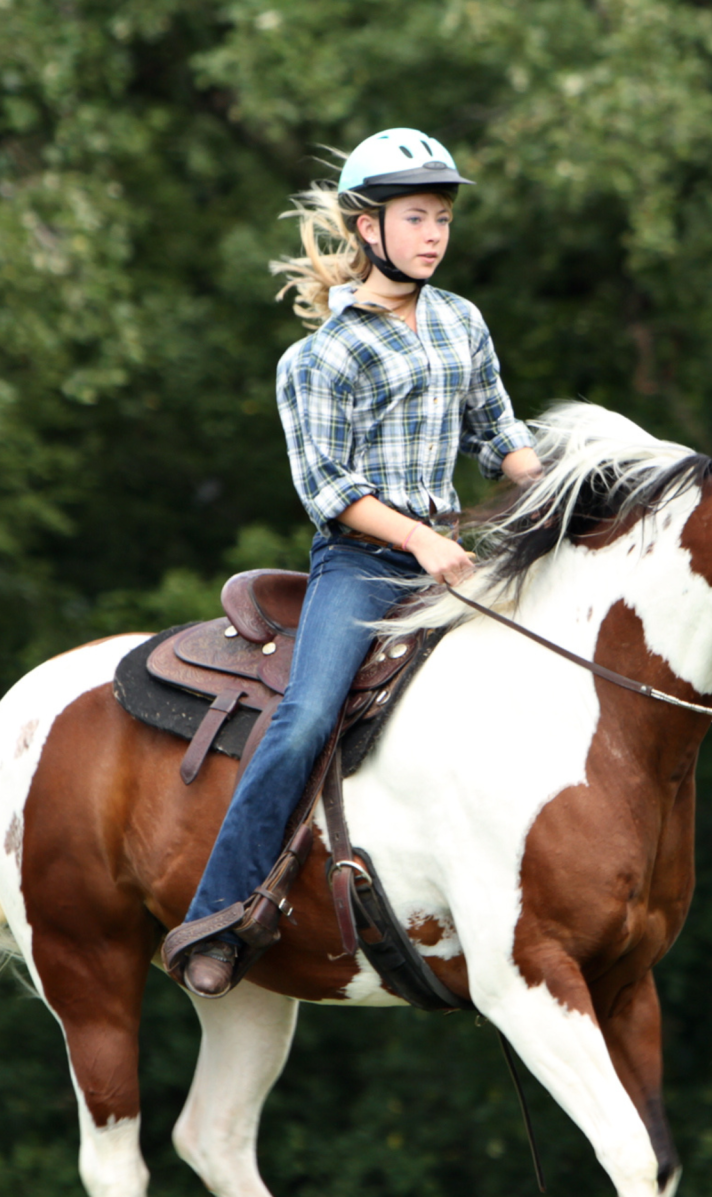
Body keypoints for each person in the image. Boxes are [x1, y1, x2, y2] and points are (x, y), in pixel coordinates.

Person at [167, 128, 544, 997]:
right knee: (303, 721)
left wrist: (569, 494)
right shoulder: (317, 357)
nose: (434, 234)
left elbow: (501, 434)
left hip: (456, 556)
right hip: (367, 565)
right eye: (416, 217)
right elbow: (327, 488)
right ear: (368, 228)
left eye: (442, 218)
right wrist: (419, 540)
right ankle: (222, 912)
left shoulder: (461, 321)